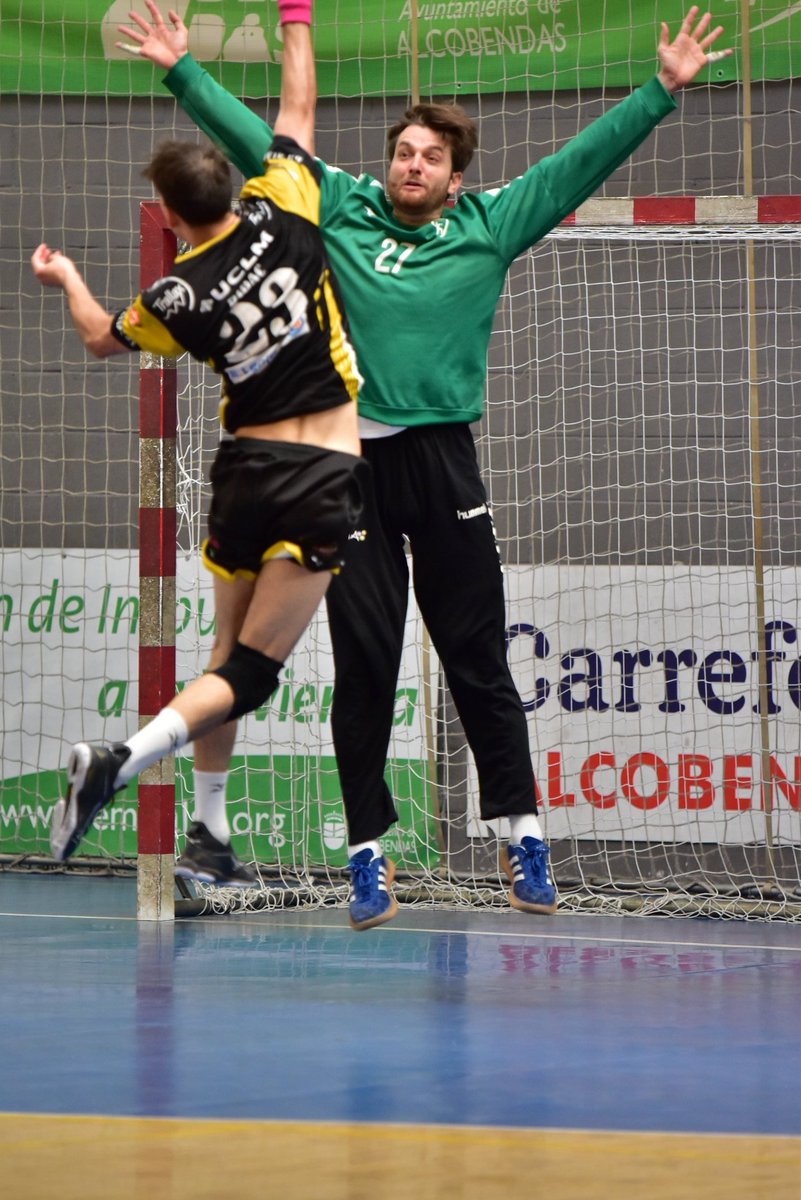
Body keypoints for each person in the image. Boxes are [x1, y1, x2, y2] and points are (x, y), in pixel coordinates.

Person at [119, 3, 732, 927]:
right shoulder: (339, 206)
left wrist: (660, 90)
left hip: (444, 463)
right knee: (366, 663)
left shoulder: (490, 225)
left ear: (454, 178)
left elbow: (577, 163)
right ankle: (368, 855)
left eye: (430, 157)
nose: (412, 164)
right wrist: (181, 70)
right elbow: (258, 140)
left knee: (476, 656)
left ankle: (522, 834)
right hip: (350, 469)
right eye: (403, 152)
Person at [33, 2, 368, 896]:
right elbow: (298, 109)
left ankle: (211, 837)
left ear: (174, 218)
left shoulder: (174, 296)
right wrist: (296, 16)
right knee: (252, 673)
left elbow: (99, 337)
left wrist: (67, 276)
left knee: (225, 656)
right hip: (322, 472)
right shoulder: (285, 202)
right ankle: (118, 761)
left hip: (243, 474)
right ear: (230, 186)